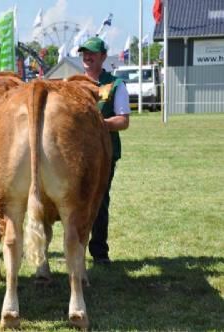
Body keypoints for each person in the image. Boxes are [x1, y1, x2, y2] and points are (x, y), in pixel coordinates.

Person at [78, 36, 130, 265]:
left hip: (103, 154)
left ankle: (99, 252)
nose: (87, 57)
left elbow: (123, 121)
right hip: (76, 154)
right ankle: (75, 248)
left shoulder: (115, 85)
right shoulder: (73, 84)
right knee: (75, 200)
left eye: (92, 53)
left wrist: (99, 124)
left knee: (99, 200)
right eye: (84, 53)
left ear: (103, 57)